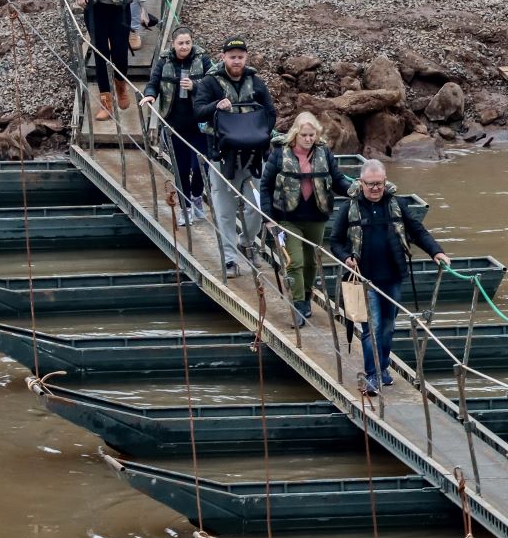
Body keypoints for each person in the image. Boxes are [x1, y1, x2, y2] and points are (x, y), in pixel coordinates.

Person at [327, 159, 450, 395]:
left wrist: (436, 251)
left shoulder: (397, 204)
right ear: (361, 183)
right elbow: (335, 241)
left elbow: (417, 231)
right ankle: (372, 375)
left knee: (388, 327)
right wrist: (346, 258)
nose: (375, 188)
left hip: (393, 277)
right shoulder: (349, 208)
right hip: (365, 281)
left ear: (385, 182)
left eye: (380, 184)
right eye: (371, 184)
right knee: (371, 328)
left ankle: (383, 368)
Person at [192, 37, 276, 277]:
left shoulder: (256, 83)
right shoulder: (210, 83)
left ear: (246, 58)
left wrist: (262, 134)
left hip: (254, 156)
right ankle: (229, 259)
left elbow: (270, 111)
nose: (236, 61)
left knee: (257, 208)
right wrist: (217, 105)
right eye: (232, 56)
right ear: (223, 57)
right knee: (225, 210)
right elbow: (198, 112)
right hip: (221, 155)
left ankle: (246, 242)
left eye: (240, 57)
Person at [259, 111, 353, 327]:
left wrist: (356, 191)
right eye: (304, 135)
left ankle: (307, 296)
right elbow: (266, 187)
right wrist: (268, 219)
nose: (309, 139)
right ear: (295, 134)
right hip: (286, 218)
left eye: (312, 135)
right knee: (295, 262)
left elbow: (338, 181)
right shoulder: (279, 154)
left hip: (316, 217)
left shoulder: (324, 153)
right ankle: (298, 305)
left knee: (311, 262)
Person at [140, 27, 209, 222]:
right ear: (174, 44)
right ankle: (185, 208)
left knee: (200, 167)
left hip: (200, 125)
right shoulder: (164, 62)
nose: (185, 46)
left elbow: (215, 83)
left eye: (188, 42)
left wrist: (195, 86)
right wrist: (150, 95)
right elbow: (153, 83)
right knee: (181, 168)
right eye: (181, 43)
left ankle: (196, 197)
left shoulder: (203, 60)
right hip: (175, 125)